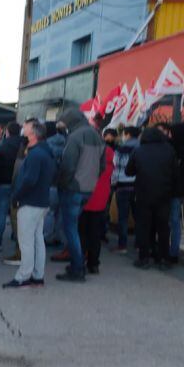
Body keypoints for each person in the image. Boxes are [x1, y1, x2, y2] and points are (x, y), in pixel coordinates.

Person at [52, 107, 105, 282]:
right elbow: (102, 166)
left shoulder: (74, 137)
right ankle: (78, 263)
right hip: (88, 189)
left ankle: (77, 268)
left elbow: (67, 165)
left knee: (71, 230)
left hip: (72, 189)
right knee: (75, 228)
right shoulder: (97, 136)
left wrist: (63, 183)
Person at [3, 120, 55, 288]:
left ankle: (23, 276)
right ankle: (37, 275)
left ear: (33, 133)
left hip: (30, 203)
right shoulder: (45, 152)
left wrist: (17, 196)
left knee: (26, 241)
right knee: (37, 239)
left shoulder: (36, 154)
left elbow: (29, 180)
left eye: (26, 126)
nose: (23, 128)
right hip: (41, 202)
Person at [127, 127, 178, 269]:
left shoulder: (139, 150)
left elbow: (128, 170)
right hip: (164, 195)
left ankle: (144, 258)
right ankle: (163, 259)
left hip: (143, 194)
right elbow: (175, 173)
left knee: (143, 226)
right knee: (163, 227)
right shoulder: (169, 150)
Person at [79, 132, 115, 275]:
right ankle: (93, 263)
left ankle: (79, 260)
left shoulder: (89, 156)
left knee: (82, 232)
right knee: (95, 233)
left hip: (86, 197)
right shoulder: (109, 160)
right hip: (101, 199)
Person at [0, 122, 24, 250]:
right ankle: (16, 237)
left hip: (2, 183)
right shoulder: (25, 146)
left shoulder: (1, 146)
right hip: (19, 184)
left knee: (1, 214)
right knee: (17, 214)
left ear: (7, 132)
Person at [111, 126, 140, 254]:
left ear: (127, 135)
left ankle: (122, 245)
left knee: (123, 217)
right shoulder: (141, 148)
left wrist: (113, 183)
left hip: (122, 185)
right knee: (138, 216)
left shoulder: (121, 148)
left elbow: (115, 164)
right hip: (137, 185)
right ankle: (139, 244)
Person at [168, 123, 184, 264]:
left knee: (165, 221)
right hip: (179, 191)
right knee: (175, 221)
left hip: (167, 189)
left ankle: (164, 249)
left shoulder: (170, 147)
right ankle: (174, 252)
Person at [43, 121, 67, 246]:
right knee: (59, 212)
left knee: (49, 212)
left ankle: (47, 236)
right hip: (63, 182)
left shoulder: (46, 145)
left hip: (50, 182)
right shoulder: (66, 142)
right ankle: (58, 236)